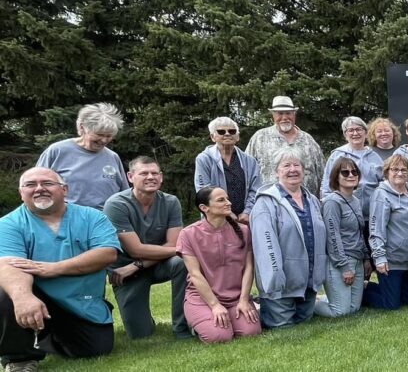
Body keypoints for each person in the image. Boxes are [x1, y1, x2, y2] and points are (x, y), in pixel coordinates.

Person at [0, 168, 120, 371]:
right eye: (30, 185)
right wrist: (24, 298)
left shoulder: (93, 217)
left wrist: (54, 268)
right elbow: (9, 264)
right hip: (36, 295)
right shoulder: (8, 224)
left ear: (64, 189)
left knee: (95, 349)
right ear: (21, 192)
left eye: (47, 183)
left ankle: (46, 337)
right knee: (6, 292)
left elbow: (107, 253)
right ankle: (19, 357)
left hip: (80, 303)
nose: (39, 189)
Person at [103, 156, 188, 339]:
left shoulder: (171, 202)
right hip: (124, 273)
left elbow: (172, 244)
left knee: (182, 262)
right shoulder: (116, 204)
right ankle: (143, 320)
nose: (151, 177)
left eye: (155, 173)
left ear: (161, 177)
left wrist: (136, 265)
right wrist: (179, 249)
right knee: (140, 334)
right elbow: (135, 250)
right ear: (130, 177)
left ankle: (182, 326)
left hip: (146, 266)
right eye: (144, 173)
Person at [249, 147, 328, 329]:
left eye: (297, 165)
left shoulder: (313, 201)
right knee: (283, 327)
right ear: (277, 172)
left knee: (304, 324)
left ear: (303, 170)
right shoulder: (265, 203)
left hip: (307, 284)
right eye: (286, 165)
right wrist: (274, 281)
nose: (292, 169)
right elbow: (264, 246)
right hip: (281, 287)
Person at [177, 187, 261, 343]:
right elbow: (195, 274)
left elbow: (249, 268)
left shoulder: (244, 231)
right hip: (203, 299)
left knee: (251, 332)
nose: (228, 203)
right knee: (219, 336)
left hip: (236, 298)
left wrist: (243, 300)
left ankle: (244, 309)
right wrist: (215, 305)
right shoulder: (188, 234)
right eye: (221, 200)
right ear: (204, 208)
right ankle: (198, 322)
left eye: (227, 199)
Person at [36, 103, 129, 210]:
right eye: (99, 134)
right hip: (66, 217)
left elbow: (123, 195)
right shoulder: (57, 151)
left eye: (108, 136)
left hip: (104, 220)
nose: (104, 140)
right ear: (82, 128)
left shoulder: (112, 157)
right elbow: (36, 187)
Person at [316, 158, 370, 317]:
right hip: (340, 261)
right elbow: (333, 237)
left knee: (354, 309)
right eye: (345, 172)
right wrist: (344, 267)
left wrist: (366, 258)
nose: (351, 175)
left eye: (354, 172)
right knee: (340, 312)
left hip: (357, 259)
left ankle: (329, 297)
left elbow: (360, 232)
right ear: (336, 177)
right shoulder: (332, 202)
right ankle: (310, 304)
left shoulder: (356, 201)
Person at [365, 155, 408, 310]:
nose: (400, 173)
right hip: (391, 260)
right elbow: (376, 229)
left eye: (403, 170)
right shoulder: (381, 195)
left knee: (407, 303)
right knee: (391, 306)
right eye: (395, 169)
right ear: (387, 172)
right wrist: (379, 257)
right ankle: (361, 290)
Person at [245, 95, 326, 196]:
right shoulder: (259, 138)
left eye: (288, 113)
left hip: (306, 205)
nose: (284, 118)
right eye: (280, 113)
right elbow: (246, 172)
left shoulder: (308, 140)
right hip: (269, 204)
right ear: (273, 115)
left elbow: (323, 175)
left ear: (294, 114)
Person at [194, 117, 262, 225]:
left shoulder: (250, 161)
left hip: (245, 220)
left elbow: (256, 189)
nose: (227, 134)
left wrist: (247, 212)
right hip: (215, 220)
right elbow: (203, 192)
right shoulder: (204, 159)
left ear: (237, 136)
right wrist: (227, 213)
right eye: (221, 132)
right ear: (213, 137)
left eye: (232, 131)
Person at [320, 116, 384, 223]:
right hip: (345, 216)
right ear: (346, 135)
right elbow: (327, 184)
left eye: (359, 129)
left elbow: (383, 184)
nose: (355, 133)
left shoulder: (375, 157)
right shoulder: (337, 155)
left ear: (366, 133)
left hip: (372, 216)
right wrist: (327, 207)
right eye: (351, 130)